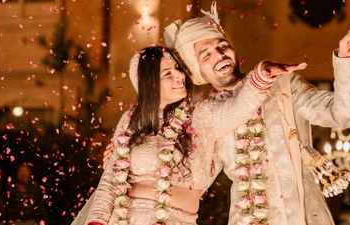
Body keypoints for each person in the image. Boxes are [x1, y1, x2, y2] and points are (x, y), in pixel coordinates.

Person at [162, 2, 350, 225]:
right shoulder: (207, 117)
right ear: (196, 69)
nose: (219, 55)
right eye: (206, 54)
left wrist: (346, 58)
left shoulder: (283, 84)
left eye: (222, 45)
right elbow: (194, 183)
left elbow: (347, 115)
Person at [72, 44, 304, 225]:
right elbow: (110, 181)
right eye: (167, 73)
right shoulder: (131, 120)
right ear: (149, 84)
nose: (179, 76)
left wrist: (262, 77)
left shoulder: (200, 116)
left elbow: (237, 109)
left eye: (178, 69)